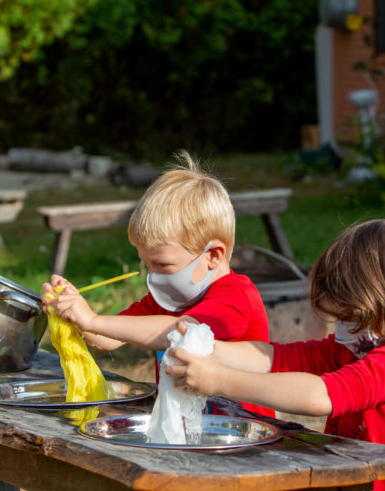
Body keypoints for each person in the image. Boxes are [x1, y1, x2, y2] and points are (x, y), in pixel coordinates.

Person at [166, 219, 385, 491]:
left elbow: (320, 396)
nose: (342, 329)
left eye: (349, 317)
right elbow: (277, 357)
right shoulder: (357, 345)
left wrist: (219, 380)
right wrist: (210, 349)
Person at [42, 150, 273, 417]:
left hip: (238, 436)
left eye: (162, 265)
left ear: (212, 255)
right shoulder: (168, 296)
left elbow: (183, 331)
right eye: (147, 263)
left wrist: (93, 320)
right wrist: (73, 313)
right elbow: (107, 340)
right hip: (182, 428)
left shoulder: (236, 297)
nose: (152, 274)